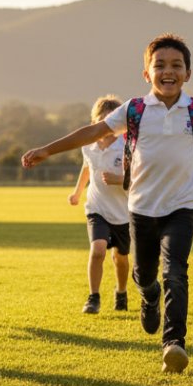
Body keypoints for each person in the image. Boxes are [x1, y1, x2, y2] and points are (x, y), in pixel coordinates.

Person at [22, 33, 193, 373]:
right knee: (144, 276)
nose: (168, 71)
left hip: (181, 208)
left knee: (177, 274)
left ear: (188, 72)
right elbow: (94, 132)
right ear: (146, 74)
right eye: (160, 65)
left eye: (176, 65)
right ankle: (149, 297)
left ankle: (174, 343)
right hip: (140, 209)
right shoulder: (135, 110)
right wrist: (47, 150)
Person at [68, 95, 131, 314]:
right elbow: (87, 168)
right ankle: (93, 297)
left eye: (113, 120)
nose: (108, 125)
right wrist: (77, 193)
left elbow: (140, 182)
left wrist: (118, 180)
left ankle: (121, 291)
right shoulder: (89, 146)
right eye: (103, 120)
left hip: (124, 213)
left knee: (121, 259)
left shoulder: (128, 146)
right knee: (98, 251)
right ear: (95, 123)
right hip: (97, 208)